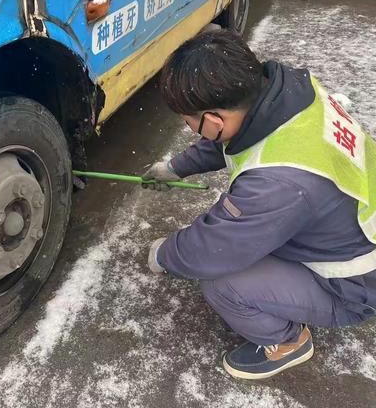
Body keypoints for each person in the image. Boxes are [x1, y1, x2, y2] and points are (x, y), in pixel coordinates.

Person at [142, 29, 376, 380]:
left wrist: (165, 255)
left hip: (354, 286)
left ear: (214, 119)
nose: (188, 126)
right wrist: (175, 168)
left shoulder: (278, 183)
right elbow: (229, 138)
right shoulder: (289, 94)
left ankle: (288, 343)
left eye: (189, 121)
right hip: (344, 227)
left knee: (222, 280)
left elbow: (212, 249)